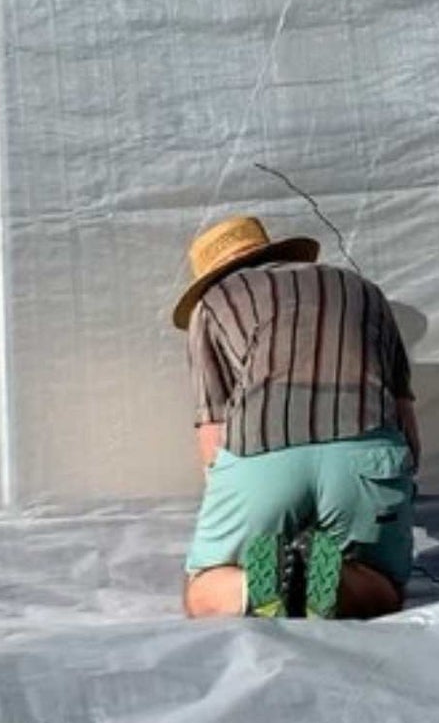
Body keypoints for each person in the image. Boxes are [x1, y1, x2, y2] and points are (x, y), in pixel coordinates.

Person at [175, 213, 420, 620]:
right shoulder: (364, 291)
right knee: (383, 585)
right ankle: (335, 580)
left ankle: (252, 587)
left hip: (262, 454)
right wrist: (400, 496)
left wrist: (231, 504)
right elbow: (405, 418)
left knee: (204, 589)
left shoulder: (214, 303)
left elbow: (214, 434)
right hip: (366, 454)